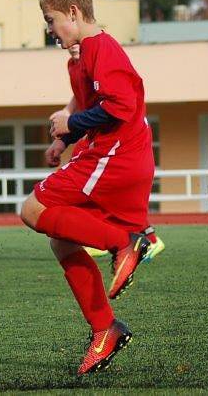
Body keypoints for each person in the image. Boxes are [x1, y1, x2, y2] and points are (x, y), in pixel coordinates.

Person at [20, 0, 155, 375]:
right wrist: (64, 137)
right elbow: (87, 99)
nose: (49, 29)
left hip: (115, 157)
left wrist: (72, 124)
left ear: (74, 13)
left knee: (33, 210)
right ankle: (105, 329)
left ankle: (126, 241)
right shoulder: (83, 55)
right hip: (113, 155)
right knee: (61, 243)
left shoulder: (101, 48)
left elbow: (120, 107)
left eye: (50, 19)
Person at [50, 45, 165, 262]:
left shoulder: (101, 56)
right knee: (114, 201)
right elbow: (82, 98)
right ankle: (140, 239)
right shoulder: (75, 65)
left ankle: (120, 240)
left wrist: (69, 120)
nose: (71, 46)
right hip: (96, 136)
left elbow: (114, 104)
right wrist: (64, 137)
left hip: (117, 140)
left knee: (94, 196)